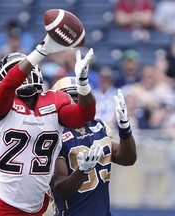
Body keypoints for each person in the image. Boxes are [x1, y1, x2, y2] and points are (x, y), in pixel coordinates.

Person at [0, 33, 96, 215]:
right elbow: (7, 87)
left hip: (37, 207)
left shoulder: (55, 100)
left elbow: (84, 115)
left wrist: (83, 85)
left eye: (27, 70)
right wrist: (40, 51)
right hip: (0, 205)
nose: (24, 75)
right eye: (18, 71)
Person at [50, 76, 137, 216]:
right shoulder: (54, 133)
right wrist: (82, 171)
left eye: (78, 97)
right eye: (69, 98)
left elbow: (127, 159)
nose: (75, 103)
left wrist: (124, 128)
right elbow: (60, 189)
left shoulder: (98, 126)